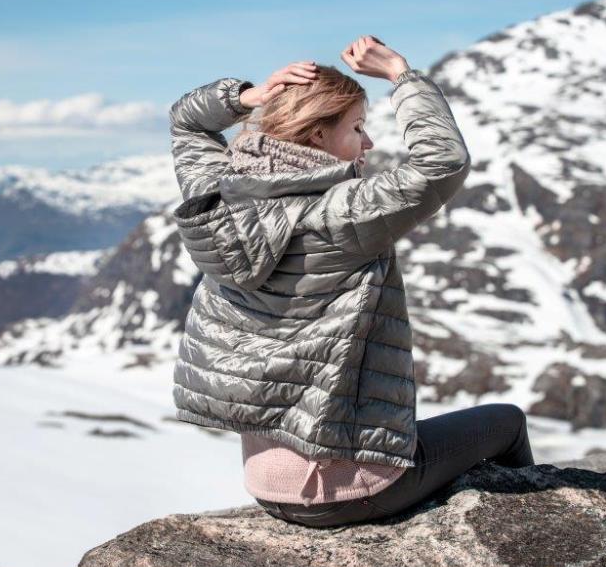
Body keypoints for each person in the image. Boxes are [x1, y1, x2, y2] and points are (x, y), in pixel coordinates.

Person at [168, 35, 535, 528]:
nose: (369, 143)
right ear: (318, 136)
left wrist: (246, 97)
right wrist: (400, 74)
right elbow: (441, 162)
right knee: (506, 423)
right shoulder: (341, 214)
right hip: (347, 490)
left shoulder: (217, 194)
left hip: (265, 485)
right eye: (358, 127)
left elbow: (186, 121)